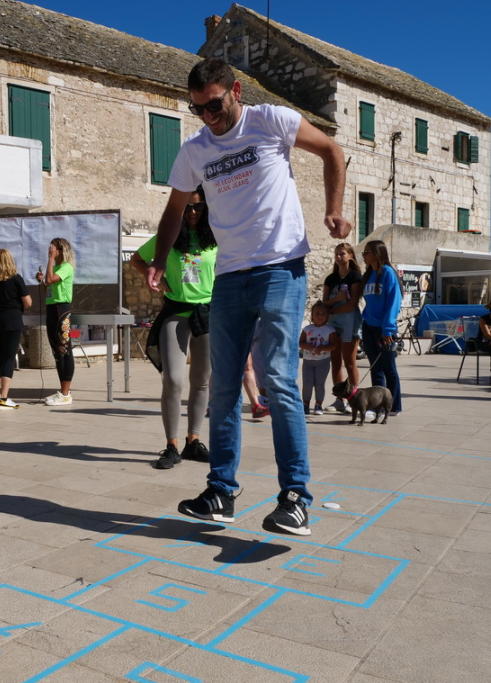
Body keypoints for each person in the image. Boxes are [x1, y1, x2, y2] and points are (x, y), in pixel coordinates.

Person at [148, 58, 351, 535]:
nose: (208, 118)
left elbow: (332, 150)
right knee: (222, 388)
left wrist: (335, 210)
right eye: (198, 110)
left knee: (278, 380)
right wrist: (159, 259)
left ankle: (296, 498)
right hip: (229, 277)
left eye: (214, 105)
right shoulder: (195, 150)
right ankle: (221, 492)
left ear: (235, 91)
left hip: (281, 268)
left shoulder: (270, 120)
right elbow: (174, 209)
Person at [131, 186, 217, 470]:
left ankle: (194, 441)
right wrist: (155, 277)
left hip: (207, 313)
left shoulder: (216, 238)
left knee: (202, 381)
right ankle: (171, 445)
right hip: (175, 311)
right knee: (173, 380)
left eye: (198, 207)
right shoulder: (166, 238)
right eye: (187, 208)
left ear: (206, 208)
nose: (192, 212)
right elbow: (137, 259)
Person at [0, 249, 31, 409]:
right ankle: (4, 398)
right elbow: (28, 302)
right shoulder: (16, 279)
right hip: (12, 321)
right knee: (8, 359)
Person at [360, 240, 404, 411]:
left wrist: (387, 329)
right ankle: (378, 407)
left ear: (377, 254)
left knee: (389, 368)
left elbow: (393, 303)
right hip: (369, 326)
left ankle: (394, 406)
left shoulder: (387, 273)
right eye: (363, 252)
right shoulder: (368, 274)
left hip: (383, 329)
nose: (363, 255)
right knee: (375, 368)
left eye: (367, 252)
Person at [321, 242, 363, 412]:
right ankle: (340, 399)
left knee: (350, 362)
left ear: (351, 256)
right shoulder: (330, 279)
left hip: (349, 321)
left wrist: (333, 308)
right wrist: (336, 300)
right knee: (335, 362)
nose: (339, 257)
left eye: (342, 254)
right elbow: (324, 304)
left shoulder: (355, 277)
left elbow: (352, 304)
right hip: (333, 323)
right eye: (337, 254)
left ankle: (354, 399)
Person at [36, 238, 76, 406]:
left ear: (61, 250)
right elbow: (48, 288)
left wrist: (50, 260)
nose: (50, 251)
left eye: (53, 249)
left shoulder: (66, 267)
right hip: (52, 308)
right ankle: (62, 392)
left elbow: (51, 280)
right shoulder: (55, 268)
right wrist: (41, 282)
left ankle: (66, 393)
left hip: (62, 310)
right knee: (56, 353)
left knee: (64, 350)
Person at [300, 301, 338, 415]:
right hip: (308, 361)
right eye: (317, 314)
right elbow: (300, 343)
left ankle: (318, 405)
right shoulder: (307, 329)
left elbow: (333, 345)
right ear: (312, 315)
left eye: (323, 314)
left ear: (327, 316)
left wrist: (322, 348)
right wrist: (307, 345)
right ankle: (305, 404)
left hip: (323, 361)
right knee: (307, 384)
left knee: (320, 384)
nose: (320, 316)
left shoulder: (330, 329)